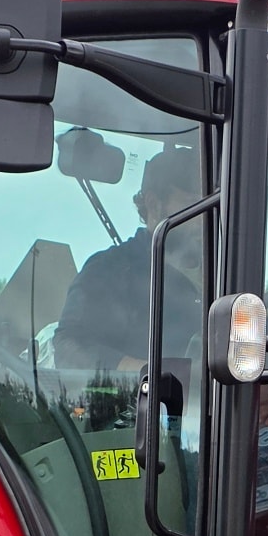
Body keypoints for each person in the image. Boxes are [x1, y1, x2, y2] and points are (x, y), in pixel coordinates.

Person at [53, 145, 203, 378]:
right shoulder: (111, 271)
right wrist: (149, 375)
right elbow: (69, 346)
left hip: (229, 412)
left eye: (212, 205)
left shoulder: (229, 275)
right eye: (194, 204)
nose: (205, 217)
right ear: (153, 204)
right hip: (141, 411)